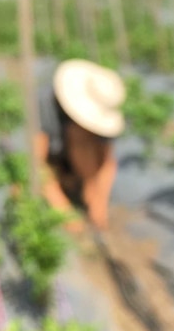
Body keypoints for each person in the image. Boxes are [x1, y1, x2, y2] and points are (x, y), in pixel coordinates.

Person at [34, 59, 126, 231]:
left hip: (68, 155)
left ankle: (81, 191)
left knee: (84, 142)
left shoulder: (97, 123)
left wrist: (99, 202)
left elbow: (108, 163)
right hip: (47, 157)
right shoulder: (44, 103)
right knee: (21, 188)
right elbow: (34, 164)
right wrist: (63, 210)